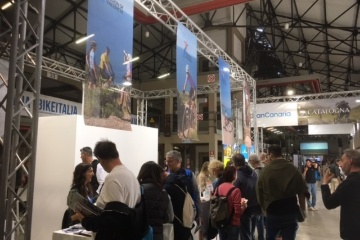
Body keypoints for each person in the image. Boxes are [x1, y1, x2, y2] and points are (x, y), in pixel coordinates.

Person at [79, 140, 142, 239]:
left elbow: (112, 218)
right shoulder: (131, 175)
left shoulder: (113, 178)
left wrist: (86, 221)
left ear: (101, 160)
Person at [256, 145, 308, 240]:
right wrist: (302, 210)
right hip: (290, 212)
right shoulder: (293, 169)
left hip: (273, 212)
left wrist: (265, 209)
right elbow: (302, 191)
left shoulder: (265, 171)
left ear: (271, 155)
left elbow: (259, 192)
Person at [321, 149, 360, 240]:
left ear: (350, 161)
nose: (340, 164)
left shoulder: (349, 183)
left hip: (353, 233)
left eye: (342, 160)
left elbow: (329, 203)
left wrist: (325, 183)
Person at [164, 150, 200, 240]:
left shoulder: (188, 174)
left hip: (186, 210)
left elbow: (195, 193)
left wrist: (197, 213)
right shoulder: (165, 175)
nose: (167, 163)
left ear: (178, 161)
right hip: (171, 212)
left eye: (170, 161)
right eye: (166, 161)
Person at [137, 161, 174, 240]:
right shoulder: (164, 193)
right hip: (157, 235)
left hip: (140, 234)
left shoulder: (137, 190)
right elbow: (170, 217)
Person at [232, 153, 262, 240]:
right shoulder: (253, 173)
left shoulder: (237, 176)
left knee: (245, 235)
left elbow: (234, 192)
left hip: (244, 209)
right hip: (256, 207)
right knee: (251, 234)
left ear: (234, 163)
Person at [63, 163, 96, 228]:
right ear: (83, 173)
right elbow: (72, 216)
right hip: (75, 225)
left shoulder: (88, 188)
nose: (93, 174)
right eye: (90, 171)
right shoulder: (75, 190)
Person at [216, 166, 244, 240]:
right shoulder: (236, 190)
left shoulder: (218, 188)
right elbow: (237, 211)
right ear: (234, 176)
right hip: (233, 223)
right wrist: (244, 206)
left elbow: (214, 204)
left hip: (221, 221)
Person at [248, 154, 265, 240]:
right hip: (264, 198)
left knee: (257, 220)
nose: (249, 162)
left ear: (253, 161)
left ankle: (254, 236)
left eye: (250, 161)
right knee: (260, 219)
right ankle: (260, 237)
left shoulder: (255, 172)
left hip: (257, 199)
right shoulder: (265, 169)